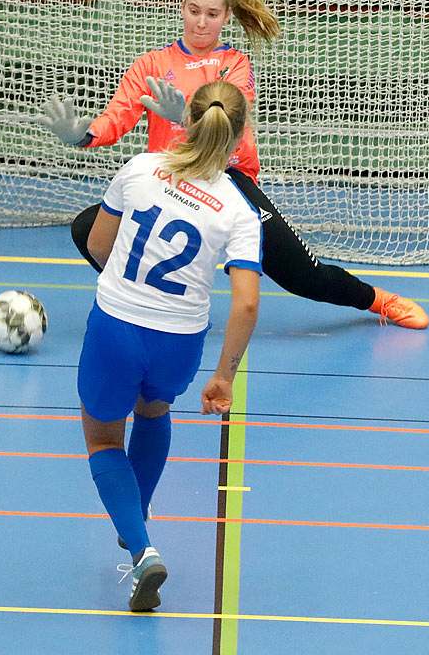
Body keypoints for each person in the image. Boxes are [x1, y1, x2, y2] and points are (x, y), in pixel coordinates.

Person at [35, 0, 429, 329]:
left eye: (211, 14)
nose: (201, 22)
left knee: (302, 274)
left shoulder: (233, 64)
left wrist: (184, 116)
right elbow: (116, 118)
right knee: (90, 229)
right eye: (193, 11)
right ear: (182, 8)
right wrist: (84, 134)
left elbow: (231, 126)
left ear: (226, 17)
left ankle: (378, 300)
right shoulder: (151, 65)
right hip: (172, 177)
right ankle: (144, 301)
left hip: (228, 178)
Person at [78, 79, 263, 612]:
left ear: (188, 118)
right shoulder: (239, 211)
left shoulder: (139, 168)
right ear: (239, 136)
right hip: (181, 341)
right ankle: (135, 512)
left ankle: (141, 550)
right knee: (154, 409)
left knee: (103, 439)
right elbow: (247, 306)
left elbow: (96, 244)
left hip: (117, 326)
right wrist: (224, 376)